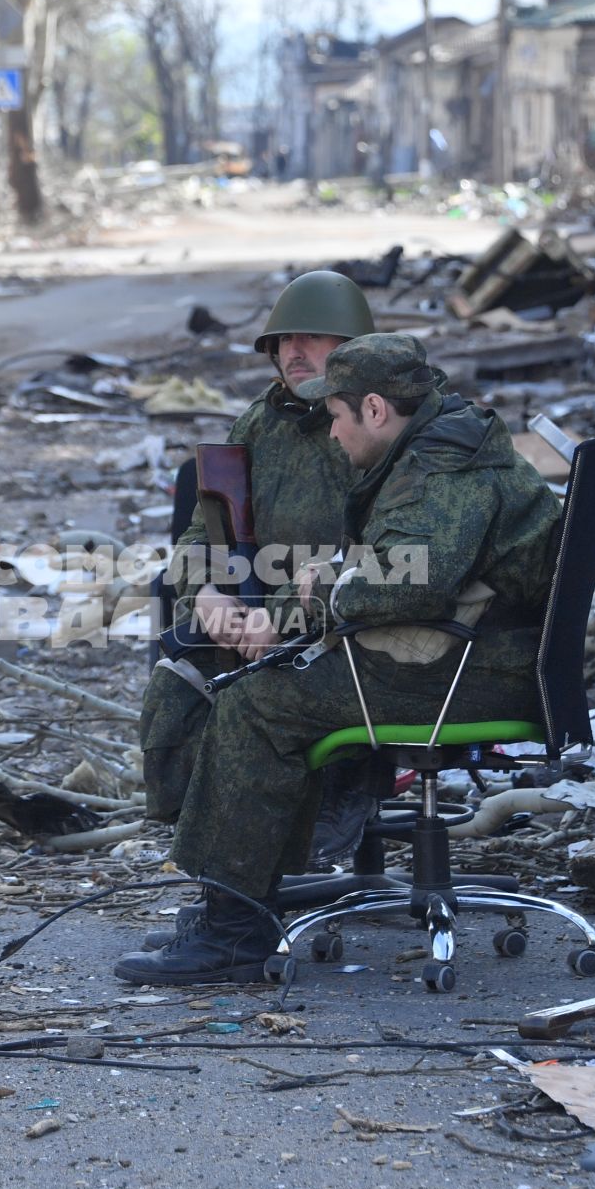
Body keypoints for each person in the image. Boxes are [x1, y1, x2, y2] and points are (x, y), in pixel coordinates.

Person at [115, 334, 560, 985]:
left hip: (476, 674)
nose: (329, 435)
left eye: (339, 418)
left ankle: (236, 931)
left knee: (259, 704)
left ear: (375, 409)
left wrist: (319, 587)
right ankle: (237, 908)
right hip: (471, 659)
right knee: (244, 684)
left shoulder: (444, 469)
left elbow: (414, 577)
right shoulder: (440, 445)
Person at [142, 270, 374, 827]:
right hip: (253, 614)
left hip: (344, 618)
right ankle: (212, 842)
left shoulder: (376, 421)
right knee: (178, 675)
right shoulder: (261, 421)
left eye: (312, 338)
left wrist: (283, 618)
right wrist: (208, 593)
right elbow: (202, 531)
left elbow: (387, 561)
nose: (295, 351)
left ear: (350, 346)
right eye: (284, 341)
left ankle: (333, 800)